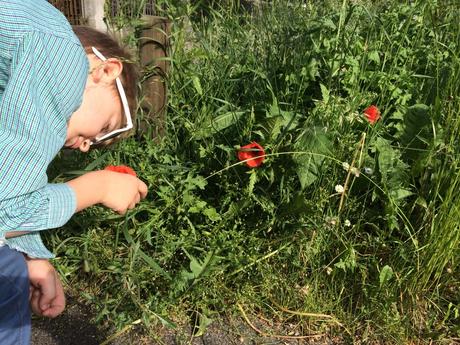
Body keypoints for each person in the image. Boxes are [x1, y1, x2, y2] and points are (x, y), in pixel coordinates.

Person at [0, 1, 148, 344]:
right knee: (6, 281)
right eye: (106, 128)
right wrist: (98, 186)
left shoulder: (32, 41)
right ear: (105, 71)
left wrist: (31, 255)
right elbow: (6, 203)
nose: (87, 146)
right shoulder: (62, 56)